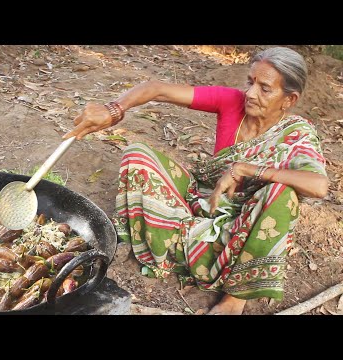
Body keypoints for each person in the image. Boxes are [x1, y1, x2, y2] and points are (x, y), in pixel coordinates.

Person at [63, 47, 328, 315]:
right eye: (250, 82)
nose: (250, 93)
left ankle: (235, 297)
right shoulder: (232, 102)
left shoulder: (297, 134)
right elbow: (158, 89)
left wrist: (248, 170)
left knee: (283, 195)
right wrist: (113, 109)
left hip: (247, 224)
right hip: (202, 199)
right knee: (137, 155)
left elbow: (318, 185)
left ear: (289, 99)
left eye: (265, 88)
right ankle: (182, 239)